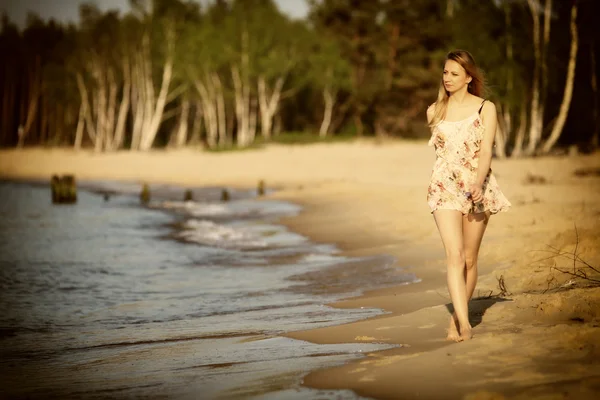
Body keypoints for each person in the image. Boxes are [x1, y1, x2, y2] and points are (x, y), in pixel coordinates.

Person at [426, 50, 511, 342]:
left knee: (470, 260)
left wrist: (477, 183)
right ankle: (463, 323)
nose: (447, 78)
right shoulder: (434, 111)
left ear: (468, 78)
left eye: (454, 74)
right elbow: (443, 157)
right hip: (444, 187)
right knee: (454, 255)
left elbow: (486, 150)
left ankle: (455, 317)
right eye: (445, 72)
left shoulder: (485, 108)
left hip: (478, 186)